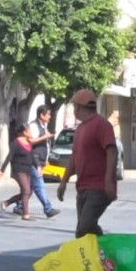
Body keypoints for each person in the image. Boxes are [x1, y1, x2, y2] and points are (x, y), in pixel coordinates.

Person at [56, 89, 117, 237]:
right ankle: (98, 255)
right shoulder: (80, 129)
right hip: (82, 188)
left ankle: (104, 244)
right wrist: (63, 182)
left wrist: (109, 180)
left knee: (86, 226)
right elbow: (73, 158)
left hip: (98, 188)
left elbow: (112, 151)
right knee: (82, 234)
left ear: (78, 107)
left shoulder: (102, 125)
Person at [13, 105, 61, 219]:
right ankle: (48, 209)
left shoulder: (43, 126)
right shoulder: (34, 126)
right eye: (48, 114)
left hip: (40, 161)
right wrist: (45, 137)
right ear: (41, 115)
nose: (49, 117)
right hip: (34, 161)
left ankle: (19, 206)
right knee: (39, 186)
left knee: (30, 188)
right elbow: (31, 141)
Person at [0, 123, 34, 221]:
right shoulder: (16, 143)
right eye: (29, 130)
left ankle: (6, 203)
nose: (31, 132)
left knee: (27, 192)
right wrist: (1, 171)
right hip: (18, 170)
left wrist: (39, 167)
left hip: (27, 169)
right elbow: (9, 157)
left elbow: (31, 156)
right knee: (26, 191)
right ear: (24, 132)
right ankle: (25, 214)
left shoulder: (28, 142)